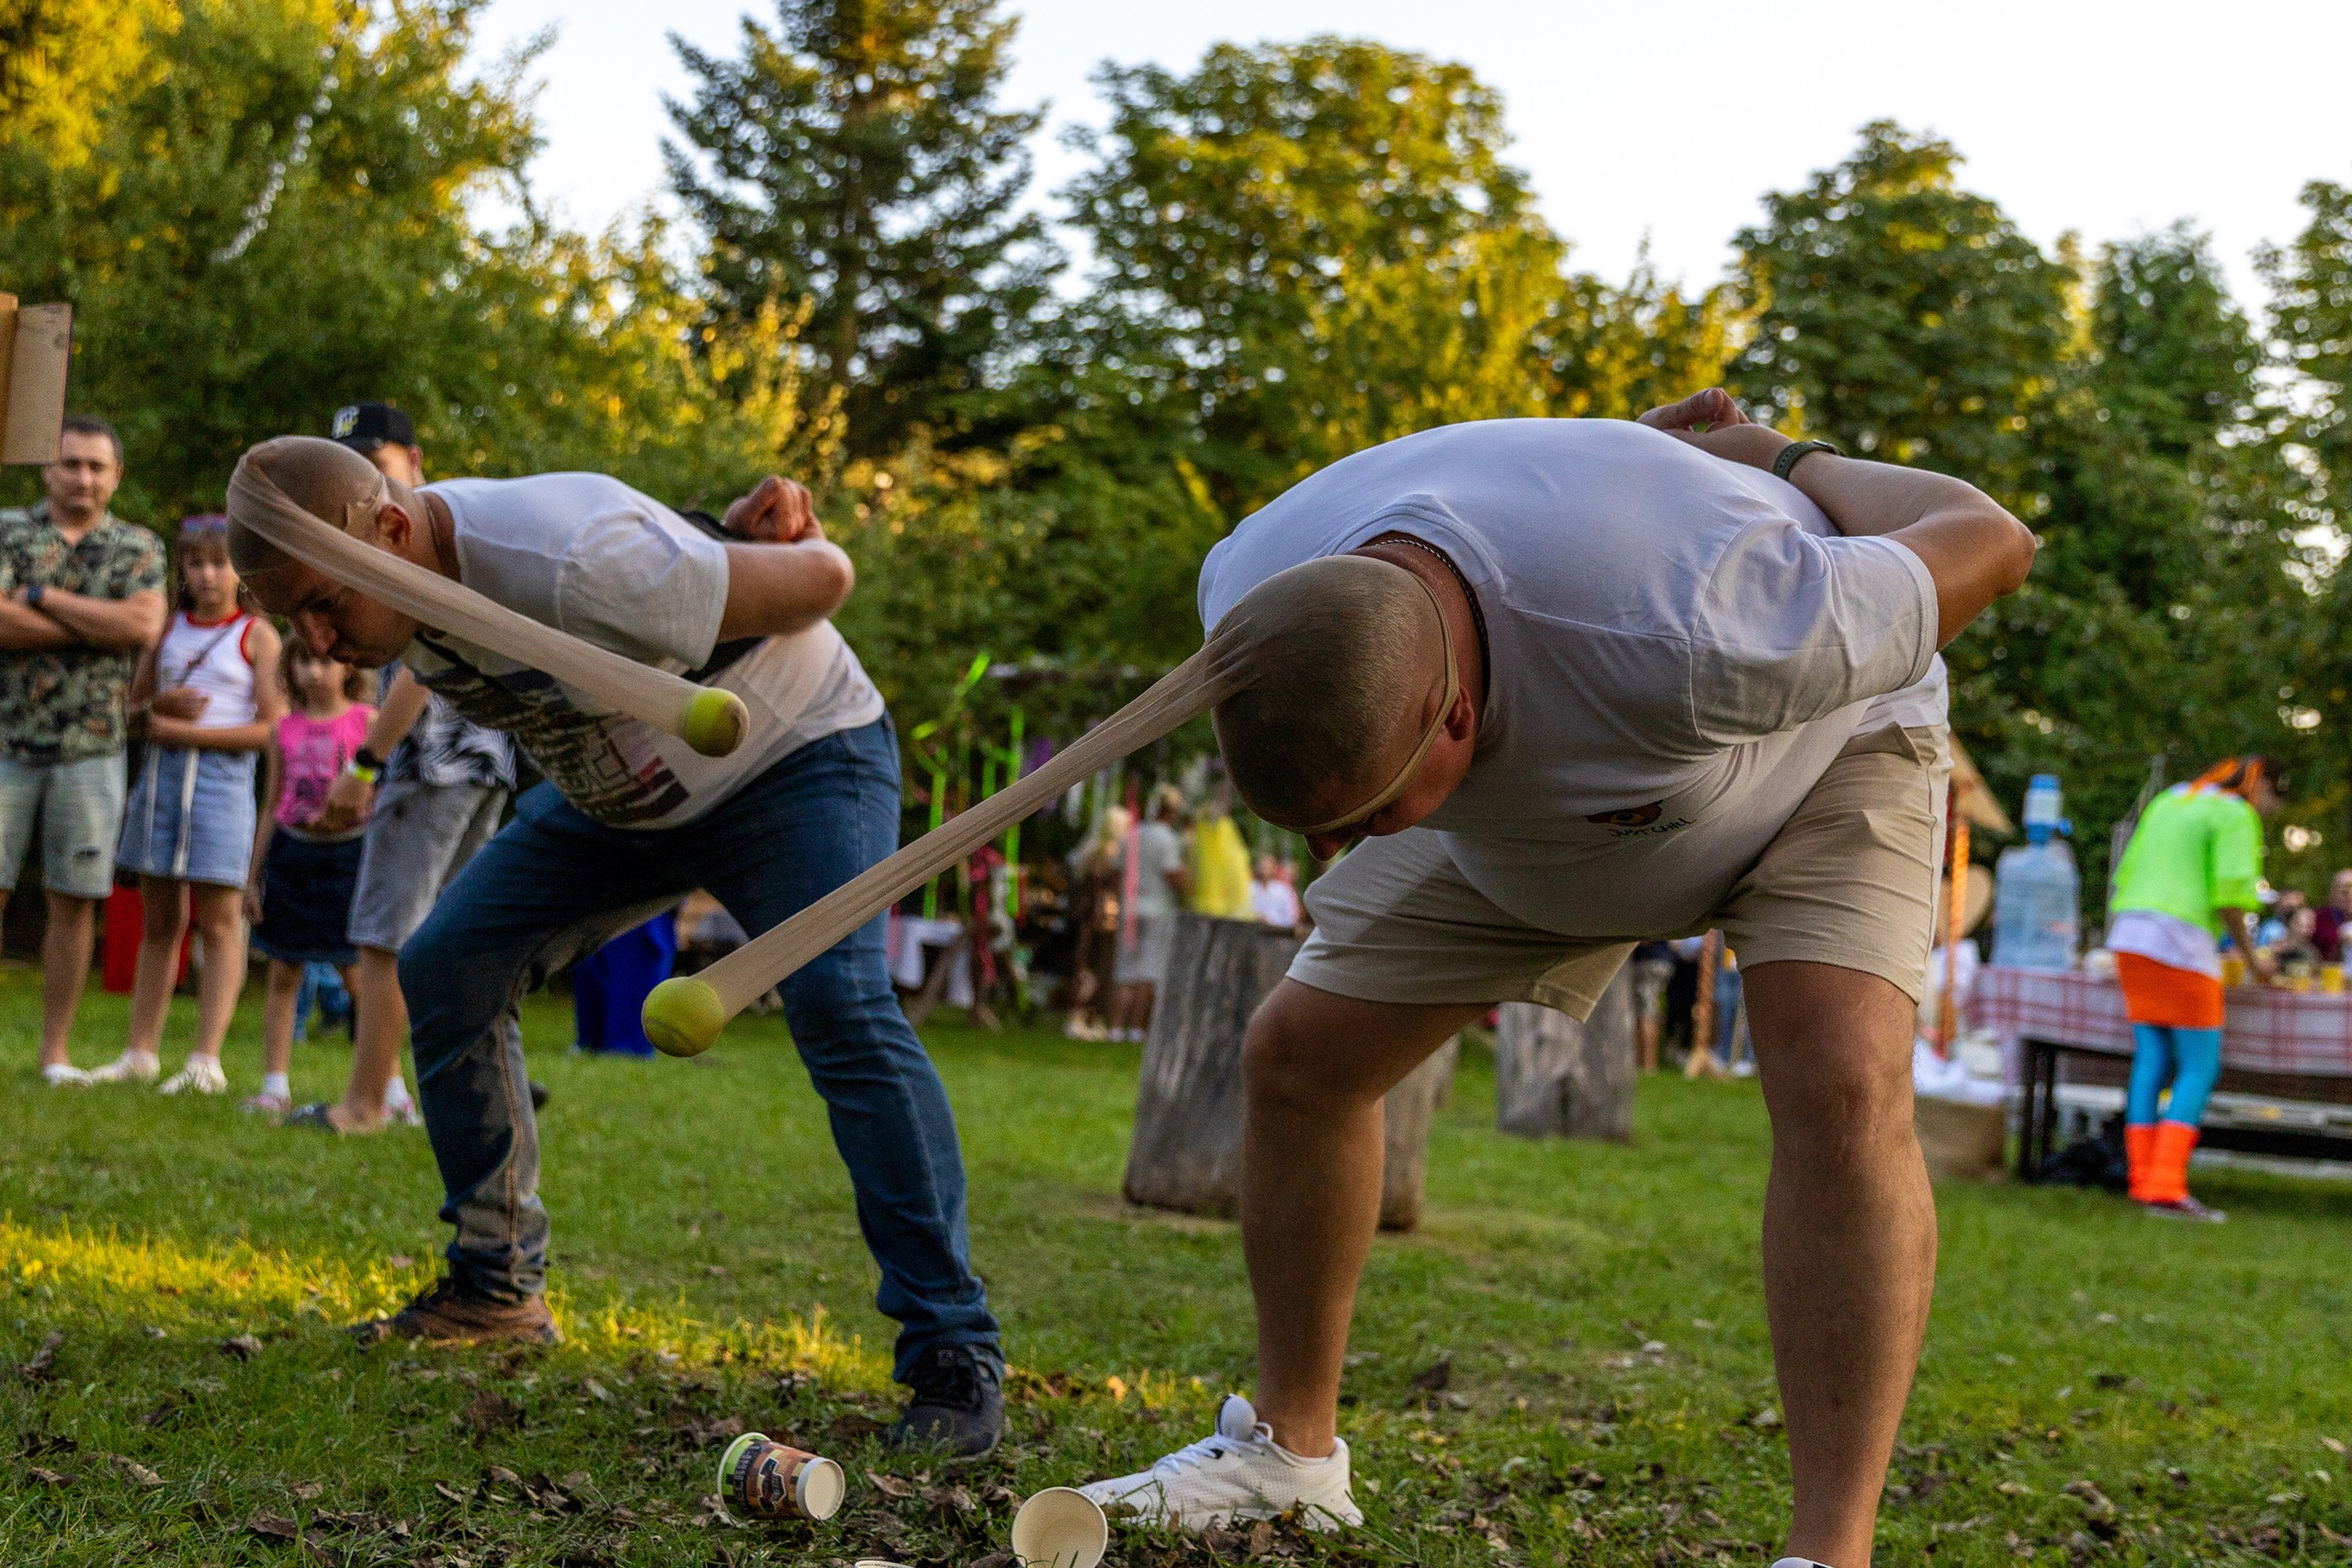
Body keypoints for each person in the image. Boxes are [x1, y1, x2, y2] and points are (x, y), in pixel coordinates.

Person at [1076, 391, 2036, 1568]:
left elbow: (1988, 535)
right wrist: (1604, 472)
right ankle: (1289, 1456)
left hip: (1819, 761)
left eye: (1363, 816)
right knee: (1299, 1061)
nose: (1333, 853)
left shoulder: (1717, 618)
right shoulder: (1250, 584)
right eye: (1315, 829)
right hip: (1530, 818)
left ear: (1456, 717)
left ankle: (1826, 1552)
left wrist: (1771, 460)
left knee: (1840, 1079)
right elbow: (1528, 507)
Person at [227, 435, 1006, 1456]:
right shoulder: (393, 584)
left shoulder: (576, 557)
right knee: (448, 965)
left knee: (837, 1001)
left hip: (794, 761)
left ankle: (952, 1347)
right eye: (297, 618)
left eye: (326, 606)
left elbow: (825, 577)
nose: (320, 642)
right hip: (622, 801)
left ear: (389, 529)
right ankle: (495, 1285)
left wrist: (766, 536)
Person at [292, 405, 515, 1134]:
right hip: (484, 760)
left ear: (415, 458)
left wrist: (364, 764)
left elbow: (421, 670)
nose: (365, 478)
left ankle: (364, 1102)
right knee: (454, 936)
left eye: (377, 461)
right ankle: (441, 1093)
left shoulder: (413, 538)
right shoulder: (452, 528)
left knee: (386, 931)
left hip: (434, 760)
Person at [0, 417, 168, 1086]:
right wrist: (95, 622)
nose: (83, 477)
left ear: (116, 475)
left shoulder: (138, 545)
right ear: (48, 469)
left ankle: (55, 1054)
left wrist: (38, 597)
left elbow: (143, 624)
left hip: (93, 745)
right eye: (70, 464)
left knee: (75, 898)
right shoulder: (9, 529)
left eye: (97, 466)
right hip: (5, 737)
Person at [90, 515, 284, 1093]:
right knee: (160, 920)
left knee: (220, 922)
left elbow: (274, 730)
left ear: (239, 570)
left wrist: (189, 734)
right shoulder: (167, 631)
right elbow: (128, 713)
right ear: (182, 570)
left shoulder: (257, 635)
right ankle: (140, 1052)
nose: (208, 575)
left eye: (220, 562)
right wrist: (159, 712)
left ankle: (206, 1060)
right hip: (161, 783)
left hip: (224, 786)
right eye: (196, 563)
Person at [2106, 755, 2282, 1222]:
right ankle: (2165, 1188)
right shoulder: (2233, 812)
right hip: (2181, 945)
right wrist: (2254, 961)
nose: (2267, 811)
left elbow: (2128, 872)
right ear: (2260, 787)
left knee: (2151, 1061)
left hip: (2130, 937)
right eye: (2271, 800)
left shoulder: (2169, 800)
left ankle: (2142, 1181)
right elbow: (2229, 895)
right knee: (2199, 1067)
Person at [243, 644, 375, 1115]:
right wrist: (252, 875)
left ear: (349, 665)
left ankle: (388, 1090)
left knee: (360, 975)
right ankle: (274, 1085)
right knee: (284, 970)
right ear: (290, 669)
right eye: (304, 662)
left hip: (350, 855)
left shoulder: (368, 721)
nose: (315, 671)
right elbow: (269, 804)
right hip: (292, 853)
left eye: (325, 660)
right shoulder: (283, 728)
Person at [1108, 784, 1189, 1043]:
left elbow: (1116, 870)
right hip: (1158, 910)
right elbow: (1172, 874)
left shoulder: (1131, 835)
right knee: (1148, 970)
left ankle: (1116, 1026)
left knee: (1125, 969)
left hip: (1130, 909)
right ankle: (1136, 1028)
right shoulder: (1168, 839)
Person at [1250, 854, 1301, 931]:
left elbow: (1291, 918)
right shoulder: (1250, 888)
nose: (1264, 869)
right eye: (1262, 866)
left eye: (1267, 866)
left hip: (1277, 935)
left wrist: (1270, 919)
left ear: (1274, 868)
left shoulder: (1285, 890)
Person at [2314, 868, 2352, 964]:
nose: (2349, 896)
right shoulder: (2319, 918)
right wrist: (2339, 943)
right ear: (2333, 892)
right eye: (2344, 892)